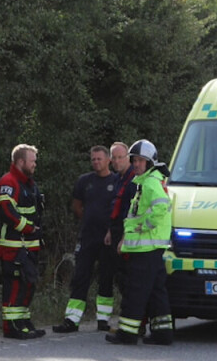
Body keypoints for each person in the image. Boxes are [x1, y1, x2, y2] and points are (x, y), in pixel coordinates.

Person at [106, 139, 174, 346]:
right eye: (134, 160)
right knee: (156, 292)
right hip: (152, 248)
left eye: (140, 161)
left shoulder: (150, 183)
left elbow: (161, 209)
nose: (136, 164)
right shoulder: (147, 181)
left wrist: (140, 227)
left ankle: (127, 334)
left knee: (135, 291)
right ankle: (163, 333)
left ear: (150, 163)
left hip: (146, 247)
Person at [52, 146, 118, 333]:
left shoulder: (116, 181)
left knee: (106, 278)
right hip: (87, 237)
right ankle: (72, 320)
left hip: (107, 239)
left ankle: (103, 319)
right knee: (80, 277)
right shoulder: (84, 181)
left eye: (99, 159)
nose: (96, 162)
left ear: (108, 160)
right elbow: (77, 206)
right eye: (93, 159)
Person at [0, 144, 46, 340]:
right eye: (32, 161)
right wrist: (29, 228)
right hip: (14, 246)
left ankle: (24, 322)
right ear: (20, 162)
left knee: (28, 285)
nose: (35, 164)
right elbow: (6, 210)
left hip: (29, 246)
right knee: (15, 285)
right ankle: (12, 326)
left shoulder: (29, 183)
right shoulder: (9, 182)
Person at [100, 142, 137, 331]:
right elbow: (115, 207)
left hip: (127, 234)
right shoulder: (118, 179)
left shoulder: (133, 180)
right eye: (113, 158)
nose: (116, 161)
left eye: (119, 157)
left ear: (128, 158)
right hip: (115, 231)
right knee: (119, 278)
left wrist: (124, 237)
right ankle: (126, 321)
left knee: (127, 280)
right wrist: (109, 231)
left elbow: (131, 213)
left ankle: (131, 323)